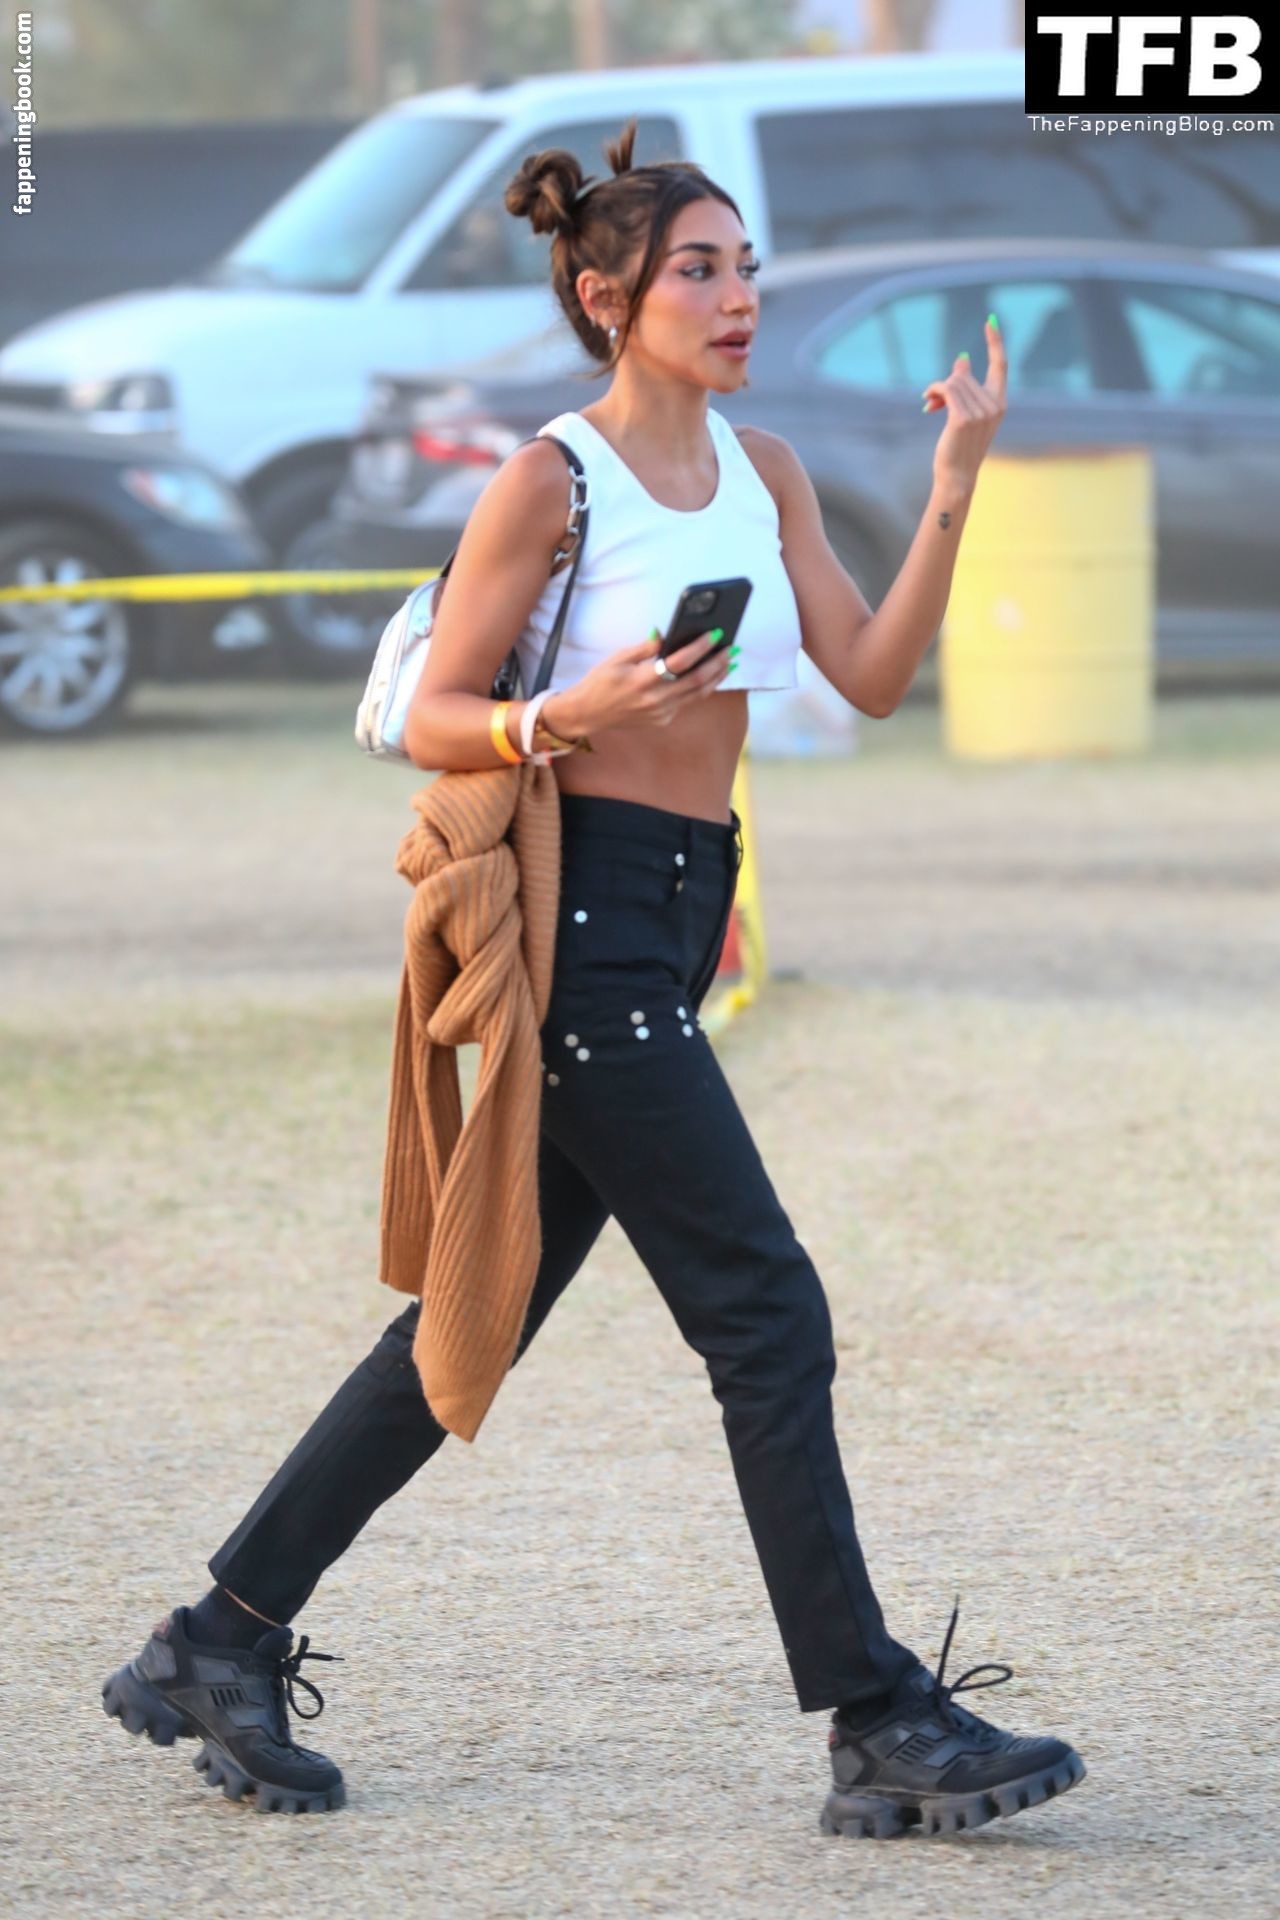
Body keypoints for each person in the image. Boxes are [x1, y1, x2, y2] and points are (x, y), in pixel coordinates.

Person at [101, 119, 1086, 1839]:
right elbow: (427, 710)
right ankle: (874, 1717)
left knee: (472, 1315)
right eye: (699, 270)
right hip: (587, 923)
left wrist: (954, 485)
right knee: (766, 1312)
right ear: (607, 297)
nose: (738, 296)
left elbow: (867, 673)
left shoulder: (767, 469)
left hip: (682, 912)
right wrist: (563, 715)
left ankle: (217, 1638)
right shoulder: (550, 480)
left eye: (746, 267)